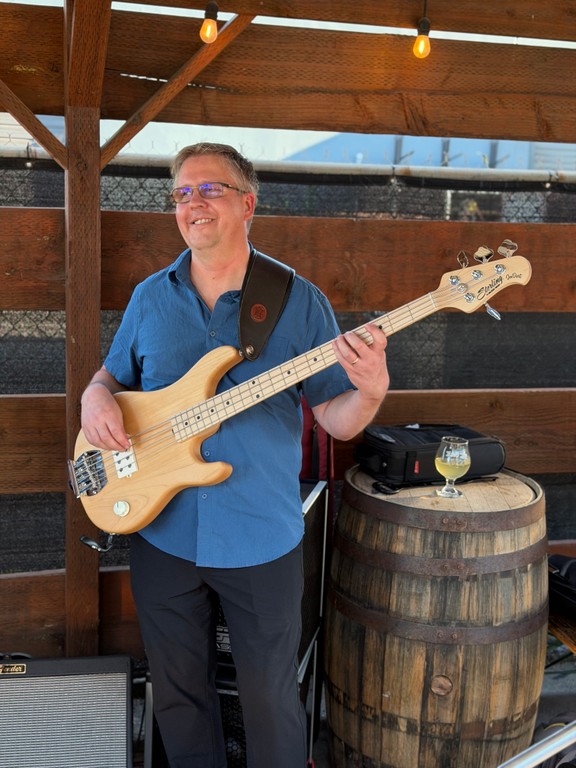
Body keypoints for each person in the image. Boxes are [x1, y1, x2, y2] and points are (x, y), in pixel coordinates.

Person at [80, 142, 389, 768]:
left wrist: (372, 391)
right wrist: (94, 398)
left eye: (209, 189)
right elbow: (110, 377)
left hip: (260, 534)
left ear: (248, 204)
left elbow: (334, 417)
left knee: (271, 699)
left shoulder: (299, 301)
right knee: (177, 693)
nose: (192, 203)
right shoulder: (150, 297)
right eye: (182, 193)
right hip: (162, 529)